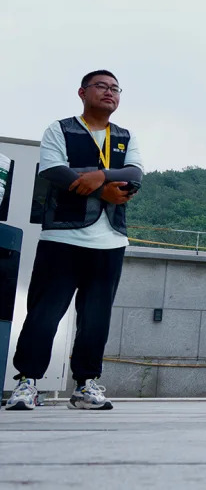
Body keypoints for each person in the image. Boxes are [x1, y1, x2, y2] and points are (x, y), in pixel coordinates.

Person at [5, 70, 143, 410]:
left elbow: (134, 173)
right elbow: (54, 170)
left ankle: (85, 385)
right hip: (63, 236)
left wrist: (100, 174)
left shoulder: (124, 136)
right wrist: (104, 186)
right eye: (101, 86)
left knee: (96, 318)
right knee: (44, 312)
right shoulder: (60, 129)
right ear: (82, 92)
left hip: (109, 240)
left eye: (115, 88)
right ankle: (27, 383)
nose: (109, 92)